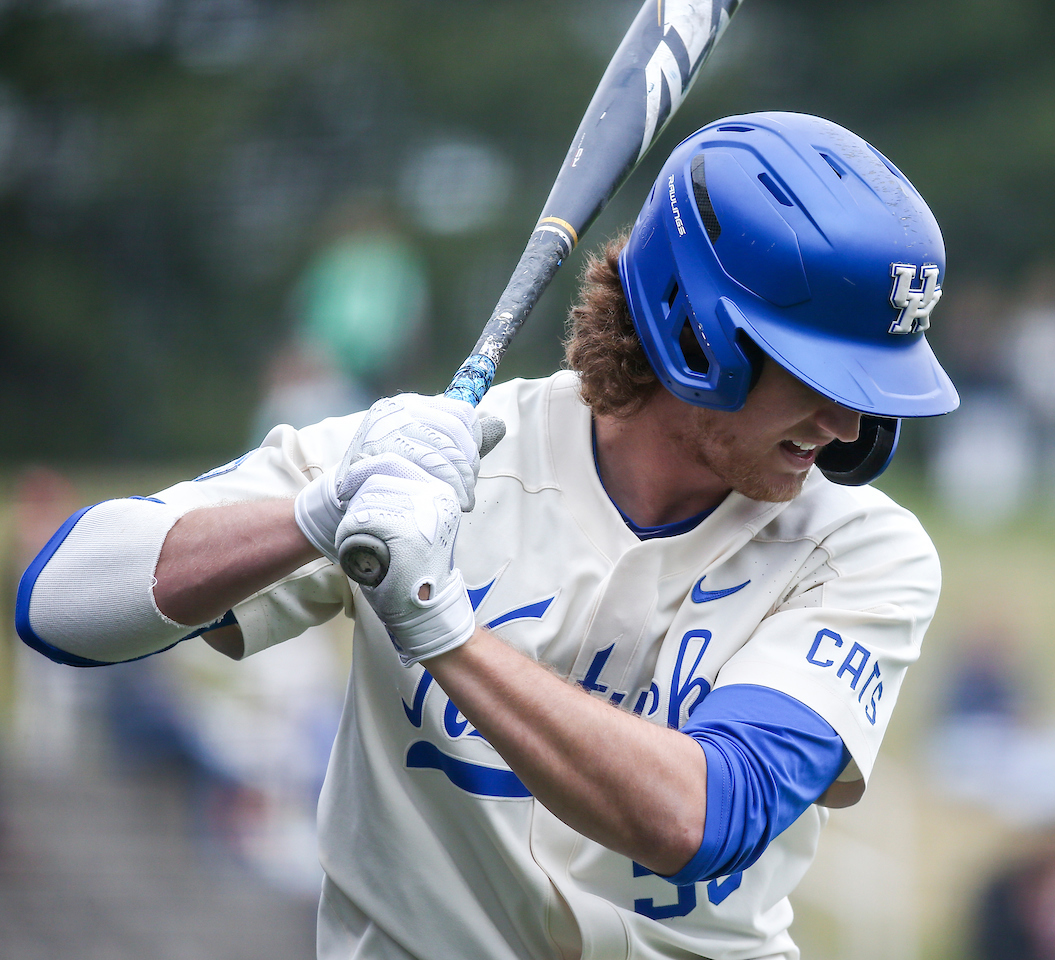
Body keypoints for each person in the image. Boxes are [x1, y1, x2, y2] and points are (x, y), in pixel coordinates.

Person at [16, 113, 958, 960]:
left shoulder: (864, 551)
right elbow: (60, 604)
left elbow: (702, 814)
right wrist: (320, 513)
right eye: (819, 377)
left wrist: (441, 628)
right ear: (698, 331)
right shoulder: (436, 463)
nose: (846, 426)